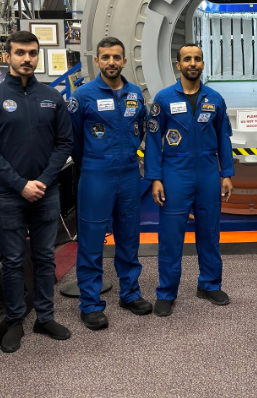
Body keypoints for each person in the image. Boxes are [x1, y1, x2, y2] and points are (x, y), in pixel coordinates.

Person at [0, 30, 73, 353]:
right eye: (20, 53)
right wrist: (20, 184)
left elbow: (64, 143)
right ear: (8, 56)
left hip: (46, 192)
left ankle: (45, 316)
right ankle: (16, 320)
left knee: (45, 257)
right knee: (13, 259)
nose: (27, 58)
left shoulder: (52, 98)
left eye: (32, 53)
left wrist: (42, 180)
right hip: (8, 195)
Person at [67, 37, 151, 330]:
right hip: (95, 174)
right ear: (97, 61)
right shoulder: (83, 96)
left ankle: (130, 293)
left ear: (124, 61)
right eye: (106, 57)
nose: (111, 62)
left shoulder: (134, 94)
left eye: (117, 57)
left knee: (129, 237)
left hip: (129, 173)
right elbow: (74, 141)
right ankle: (90, 304)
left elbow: (140, 128)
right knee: (91, 241)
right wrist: (92, 162)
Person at [145, 43, 234, 317]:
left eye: (197, 59)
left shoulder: (215, 99)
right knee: (171, 237)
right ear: (178, 64)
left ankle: (209, 284)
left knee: (210, 232)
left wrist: (227, 173)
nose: (192, 63)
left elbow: (223, 139)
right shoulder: (163, 99)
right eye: (187, 59)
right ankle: (166, 292)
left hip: (208, 173)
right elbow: (152, 140)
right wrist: (155, 178)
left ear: (203, 64)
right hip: (175, 174)